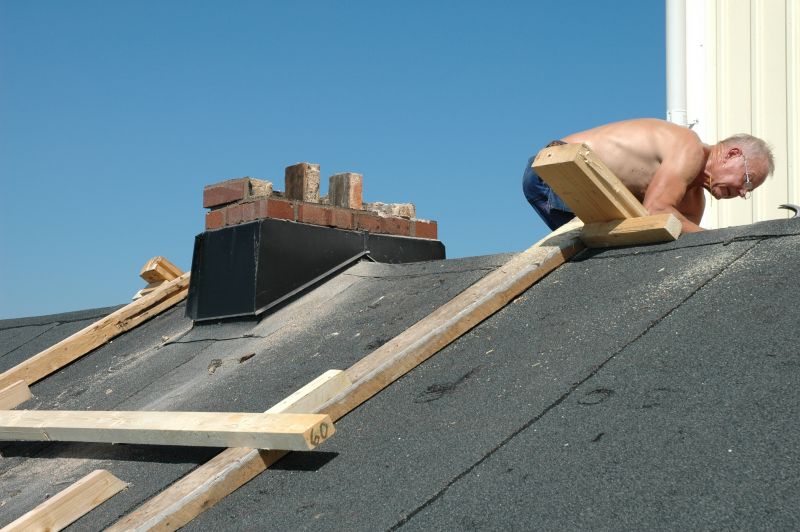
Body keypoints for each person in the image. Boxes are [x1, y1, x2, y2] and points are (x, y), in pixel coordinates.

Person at [522, 118, 775, 232]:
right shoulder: (689, 147)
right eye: (747, 180)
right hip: (558, 170)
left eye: (748, 192)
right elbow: (656, 211)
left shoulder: (692, 201)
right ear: (732, 154)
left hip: (577, 183)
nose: (742, 192)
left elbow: (681, 244)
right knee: (605, 256)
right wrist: (718, 239)